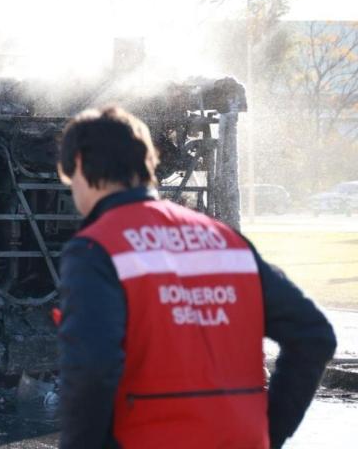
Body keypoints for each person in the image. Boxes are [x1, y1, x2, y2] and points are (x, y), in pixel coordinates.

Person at [55, 106, 336, 449]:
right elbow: (314, 335)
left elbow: (93, 368)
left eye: (70, 181)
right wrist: (269, 430)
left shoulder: (96, 249)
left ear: (80, 164)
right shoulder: (227, 241)